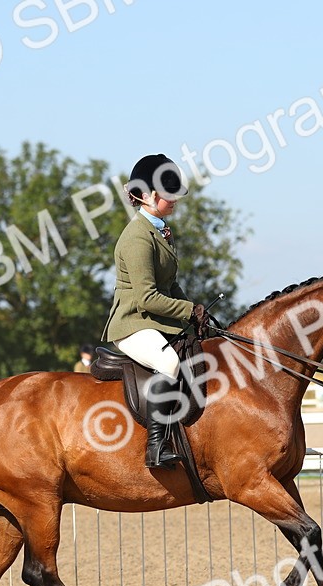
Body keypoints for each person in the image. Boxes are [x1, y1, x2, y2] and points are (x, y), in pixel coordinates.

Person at [100, 153, 208, 469]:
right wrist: (188, 311)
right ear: (147, 196)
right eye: (167, 194)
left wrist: (197, 313)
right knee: (169, 362)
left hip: (153, 321)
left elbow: (170, 286)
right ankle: (156, 448)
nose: (174, 200)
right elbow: (147, 297)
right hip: (133, 323)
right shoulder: (136, 238)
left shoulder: (158, 231)